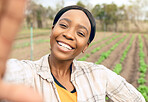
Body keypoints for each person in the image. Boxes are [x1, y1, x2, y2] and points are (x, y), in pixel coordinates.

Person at [0, 0, 145, 102]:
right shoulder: (28, 73)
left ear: (86, 46)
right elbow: (8, 74)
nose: (69, 35)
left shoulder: (98, 75)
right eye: (63, 25)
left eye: (81, 33)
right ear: (52, 31)